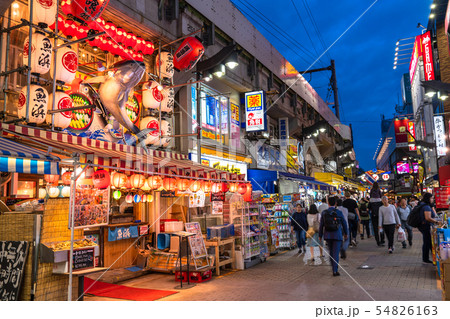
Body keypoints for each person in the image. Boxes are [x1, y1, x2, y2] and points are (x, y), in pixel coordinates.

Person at [319, 196, 348, 276]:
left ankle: (333, 268)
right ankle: (335, 270)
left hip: (328, 235)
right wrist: (346, 233)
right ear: (335, 203)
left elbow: (321, 225)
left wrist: (320, 235)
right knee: (335, 253)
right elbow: (344, 223)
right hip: (337, 235)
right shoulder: (338, 212)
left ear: (328, 203)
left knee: (331, 252)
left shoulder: (324, 212)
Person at [417, 193, 439, 264]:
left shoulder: (423, 205)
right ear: (428, 198)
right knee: (427, 242)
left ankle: (432, 257)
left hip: (423, 226)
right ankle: (426, 259)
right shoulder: (426, 207)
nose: (433, 200)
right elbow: (428, 218)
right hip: (425, 226)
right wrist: (436, 222)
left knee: (428, 242)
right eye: (432, 198)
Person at [368, 182, 385, 246]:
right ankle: (382, 240)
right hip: (380, 215)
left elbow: (368, 208)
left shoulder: (371, 192)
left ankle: (378, 241)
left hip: (373, 215)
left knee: (375, 229)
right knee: (381, 227)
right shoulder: (380, 201)